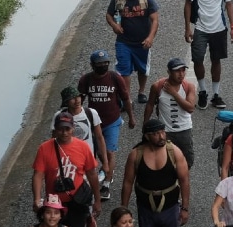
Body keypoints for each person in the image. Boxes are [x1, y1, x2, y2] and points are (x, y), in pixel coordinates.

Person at [31, 113, 100, 227]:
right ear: (55, 130)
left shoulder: (83, 147)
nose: (64, 132)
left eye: (67, 129)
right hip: (54, 207)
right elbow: (38, 174)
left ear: (73, 129)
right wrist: (36, 199)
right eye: (61, 129)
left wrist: (97, 200)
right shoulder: (45, 149)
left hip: (77, 204)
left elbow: (92, 174)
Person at [120, 118, 190, 227]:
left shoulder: (174, 152)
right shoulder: (136, 155)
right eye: (156, 134)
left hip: (170, 207)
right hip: (146, 208)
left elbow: (184, 180)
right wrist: (123, 210)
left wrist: (185, 208)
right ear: (147, 136)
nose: (161, 136)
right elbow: (128, 182)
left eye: (162, 132)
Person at [184, 0, 233, 110]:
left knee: (216, 60)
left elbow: (229, 4)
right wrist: (188, 27)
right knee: (198, 59)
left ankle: (215, 94)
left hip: (219, 28)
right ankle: (202, 91)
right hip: (201, 28)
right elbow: (188, 3)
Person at [79, 49, 134, 200]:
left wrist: (131, 117)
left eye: (105, 63)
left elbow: (125, 98)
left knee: (109, 152)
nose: (102, 66)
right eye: (99, 63)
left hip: (112, 121)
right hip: (93, 123)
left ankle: (106, 185)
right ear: (92, 65)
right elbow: (79, 101)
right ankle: (107, 169)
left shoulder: (115, 78)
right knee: (97, 154)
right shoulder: (86, 80)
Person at [106, 0, 160, 105]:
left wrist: (150, 37)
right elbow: (109, 15)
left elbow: (155, 20)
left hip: (142, 42)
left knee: (143, 69)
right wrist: (114, 25)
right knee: (124, 70)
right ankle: (127, 99)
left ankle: (141, 92)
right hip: (123, 42)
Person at [143, 58, 196, 169]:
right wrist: (145, 125)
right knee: (163, 161)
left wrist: (173, 93)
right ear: (169, 72)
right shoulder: (157, 86)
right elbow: (150, 105)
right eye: (177, 71)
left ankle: (181, 181)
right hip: (164, 131)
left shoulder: (189, 87)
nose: (181, 74)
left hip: (184, 131)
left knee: (187, 162)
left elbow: (190, 108)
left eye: (183, 70)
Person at [55, 85, 109, 188]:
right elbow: (54, 141)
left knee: (89, 189)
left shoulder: (91, 113)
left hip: (88, 160)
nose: (76, 100)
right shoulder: (59, 116)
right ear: (66, 102)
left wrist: (105, 162)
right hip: (68, 161)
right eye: (72, 99)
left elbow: (99, 137)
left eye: (78, 97)